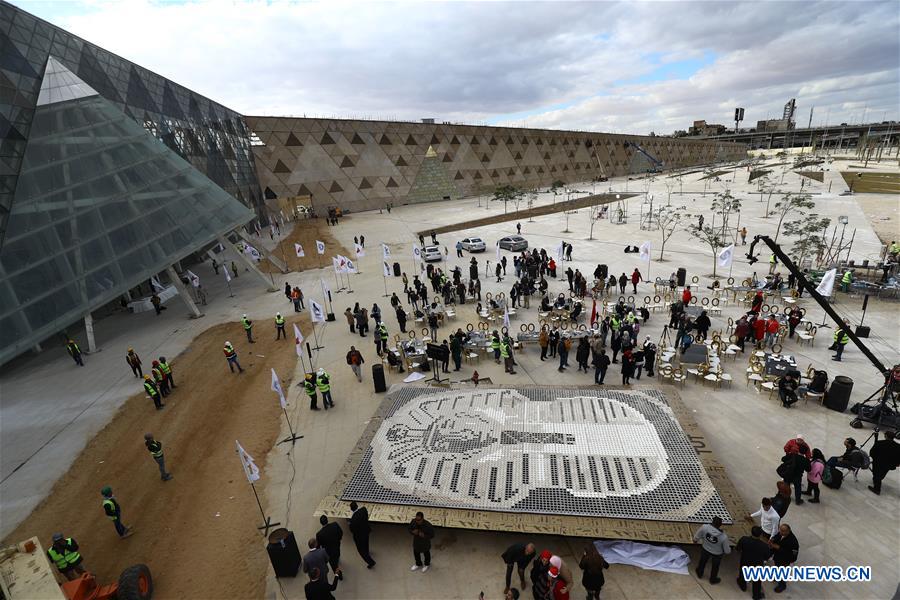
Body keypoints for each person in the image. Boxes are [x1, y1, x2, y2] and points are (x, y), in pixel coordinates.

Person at [692, 516, 730, 584]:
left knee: (702, 562)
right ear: (720, 525)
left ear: (712, 522)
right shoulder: (724, 537)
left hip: (705, 549)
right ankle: (713, 579)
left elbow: (696, 537)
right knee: (715, 567)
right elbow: (727, 551)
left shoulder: (704, 527)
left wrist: (695, 541)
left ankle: (699, 573)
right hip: (717, 554)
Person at [735, 526, 769, 599]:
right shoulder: (764, 546)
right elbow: (766, 557)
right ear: (760, 535)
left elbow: (738, 548)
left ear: (751, 532)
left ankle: (742, 586)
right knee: (757, 581)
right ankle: (756, 595)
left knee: (743, 574)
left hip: (745, 561)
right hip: (757, 565)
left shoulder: (744, 539)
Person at [768, 524, 799, 593]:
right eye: (780, 530)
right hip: (778, 557)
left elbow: (792, 556)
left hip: (785, 561)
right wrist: (773, 539)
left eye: (783, 531)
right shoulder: (781, 533)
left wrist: (778, 548)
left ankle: (782, 585)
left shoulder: (793, 542)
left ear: (788, 531)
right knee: (777, 567)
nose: (781, 532)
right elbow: (777, 536)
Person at [868, 430, 900, 495]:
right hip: (889, 464)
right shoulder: (898, 446)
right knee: (882, 474)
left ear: (886, 436)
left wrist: (875, 459)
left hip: (878, 462)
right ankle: (877, 480)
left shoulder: (879, 443)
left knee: (876, 474)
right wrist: (897, 463)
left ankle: (877, 489)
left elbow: (872, 453)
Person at [348, 501, 376, 568]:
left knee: (362, 551)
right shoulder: (364, 510)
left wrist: (350, 524)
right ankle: (367, 551)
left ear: (351, 509)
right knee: (366, 543)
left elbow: (352, 530)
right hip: (366, 531)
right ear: (357, 506)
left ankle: (371, 562)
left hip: (359, 537)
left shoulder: (352, 520)